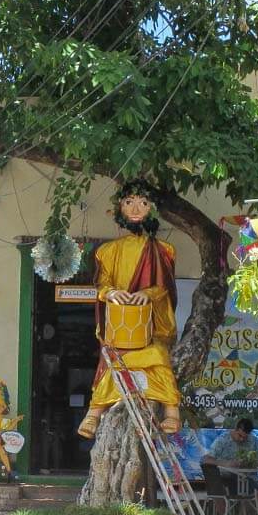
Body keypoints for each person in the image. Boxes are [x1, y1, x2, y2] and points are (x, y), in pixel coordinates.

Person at [77, 181, 181, 438]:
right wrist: (111, 293)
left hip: (151, 325)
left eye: (143, 203)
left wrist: (147, 294)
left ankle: (172, 413)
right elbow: (102, 285)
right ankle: (94, 413)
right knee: (111, 361)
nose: (136, 208)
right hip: (120, 327)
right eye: (129, 202)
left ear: (152, 210)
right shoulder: (107, 251)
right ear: (119, 209)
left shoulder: (164, 250)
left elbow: (164, 287)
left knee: (158, 357)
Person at [202, 418, 258, 502]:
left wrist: (249, 463)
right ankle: (229, 513)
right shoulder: (222, 440)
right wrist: (225, 463)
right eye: (240, 435)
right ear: (235, 429)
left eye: (245, 437)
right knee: (217, 488)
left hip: (248, 477)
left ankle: (244, 514)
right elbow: (206, 460)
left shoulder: (253, 441)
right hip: (226, 478)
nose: (242, 439)